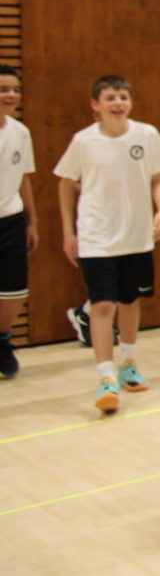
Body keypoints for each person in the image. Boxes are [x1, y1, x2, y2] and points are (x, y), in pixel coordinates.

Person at [55, 75, 160, 412]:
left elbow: (157, 180)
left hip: (137, 236)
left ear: (130, 102)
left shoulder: (146, 135)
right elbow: (65, 184)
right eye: (110, 98)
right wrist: (68, 232)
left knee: (130, 301)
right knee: (103, 306)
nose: (118, 103)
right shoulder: (83, 141)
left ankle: (128, 363)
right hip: (97, 237)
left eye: (123, 97)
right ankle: (105, 377)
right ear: (96, 105)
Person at [0, 64, 38, 378]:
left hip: (11, 219)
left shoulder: (20, 132)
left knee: (15, 291)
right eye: (3, 89)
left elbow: (24, 178)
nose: (11, 95)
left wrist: (31, 222)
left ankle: (2, 340)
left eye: (15, 90)